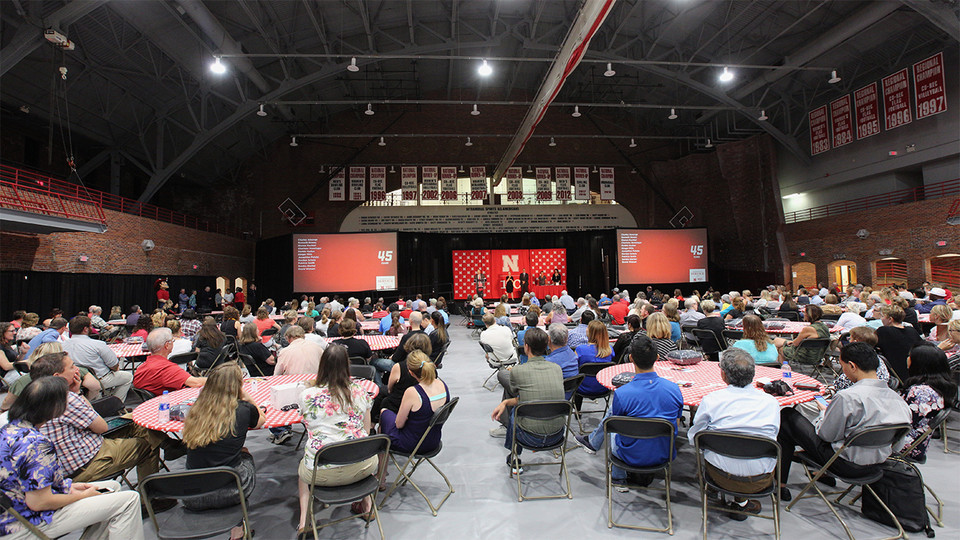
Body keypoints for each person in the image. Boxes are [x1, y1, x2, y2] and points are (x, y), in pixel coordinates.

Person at [0, 376, 144, 540]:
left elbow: (29, 483)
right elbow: (39, 503)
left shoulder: (9, 429)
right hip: (24, 524)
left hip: (13, 511)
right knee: (129, 500)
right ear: (55, 409)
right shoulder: (36, 444)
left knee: (112, 487)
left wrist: (67, 487)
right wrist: (82, 496)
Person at [777, 342, 911, 501]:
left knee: (787, 416)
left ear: (852, 366)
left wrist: (822, 413)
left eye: (843, 367)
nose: (843, 372)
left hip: (843, 463)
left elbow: (826, 435)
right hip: (878, 464)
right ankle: (816, 471)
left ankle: (780, 485)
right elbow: (898, 444)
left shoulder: (848, 397)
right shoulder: (899, 401)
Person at [574, 335, 684, 488]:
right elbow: (676, 425)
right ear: (658, 357)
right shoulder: (674, 389)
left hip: (629, 455)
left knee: (613, 422)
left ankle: (618, 477)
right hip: (664, 453)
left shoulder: (623, 393)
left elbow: (617, 427)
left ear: (631, 358)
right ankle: (593, 443)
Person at [687, 347, 781, 518]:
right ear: (753, 374)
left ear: (723, 375)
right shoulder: (771, 403)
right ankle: (741, 502)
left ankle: (735, 499)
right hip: (760, 478)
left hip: (719, 475)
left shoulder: (712, 400)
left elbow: (695, 438)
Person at [297, 345, 378, 531]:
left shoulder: (307, 395)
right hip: (362, 467)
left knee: (302, 474)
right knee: (359, 444)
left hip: (320, 472)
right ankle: (367, 506)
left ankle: (304, 522)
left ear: (322, 366)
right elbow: (365, 431)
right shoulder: (360, 392)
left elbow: (309, 427)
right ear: (347, 366)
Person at [181, 363, 264, 540]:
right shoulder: (242, 409)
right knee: (245, 453)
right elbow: (260, 420)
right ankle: (238, 530)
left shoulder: (196, 410)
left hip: (191, 493)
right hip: (231, 490)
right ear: (238, 386)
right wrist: (247, 397)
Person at [491, 328, 564, 474]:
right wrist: (505, 402)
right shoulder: (557, 369)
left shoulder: (518, 371)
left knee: (515, 413)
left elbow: (519, 396)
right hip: (557, 435)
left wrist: (505, 402)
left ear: (526, 347)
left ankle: (514, 455)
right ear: (547, 346)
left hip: (529, 437)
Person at [380, 349, 450, 453]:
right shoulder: (442, 385)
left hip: (413, 444)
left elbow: (399, 424)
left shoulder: (413, 392)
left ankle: (382, 466)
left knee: (384, 413)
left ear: (411, 373)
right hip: (433, 441)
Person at [897, 344, 956, 461]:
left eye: (910, 356)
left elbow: (903, 423)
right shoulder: (937, 387)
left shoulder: (920, 392)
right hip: (918, 443)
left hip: (905, 444)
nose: (907, 359)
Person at [62, 316, 132, 401]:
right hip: (100, 379)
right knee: (128, 377)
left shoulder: (62, 345)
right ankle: (116, 403)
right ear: (85, 329)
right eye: (90, 326)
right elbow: (114, 365)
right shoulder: (98, 344)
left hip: (75, 380)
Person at [134, 328, 206, 395]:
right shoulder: (166, 368)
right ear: (167, 345)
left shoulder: (141, 368)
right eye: (172, 340)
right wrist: (215, 379)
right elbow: (196, 383)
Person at [875, 304, 924, 381]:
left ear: (890, 319)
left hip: (896, 374)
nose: (881, 319)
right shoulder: (912, 331)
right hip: (915, 374)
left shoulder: (883, 331)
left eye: (882, 316)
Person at [574, 320, 614, 409]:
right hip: (604, 387)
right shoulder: (610, 350)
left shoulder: (580, 349)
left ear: (591, 332)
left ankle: (578, 410)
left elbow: (574, 367)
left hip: (582, 387)